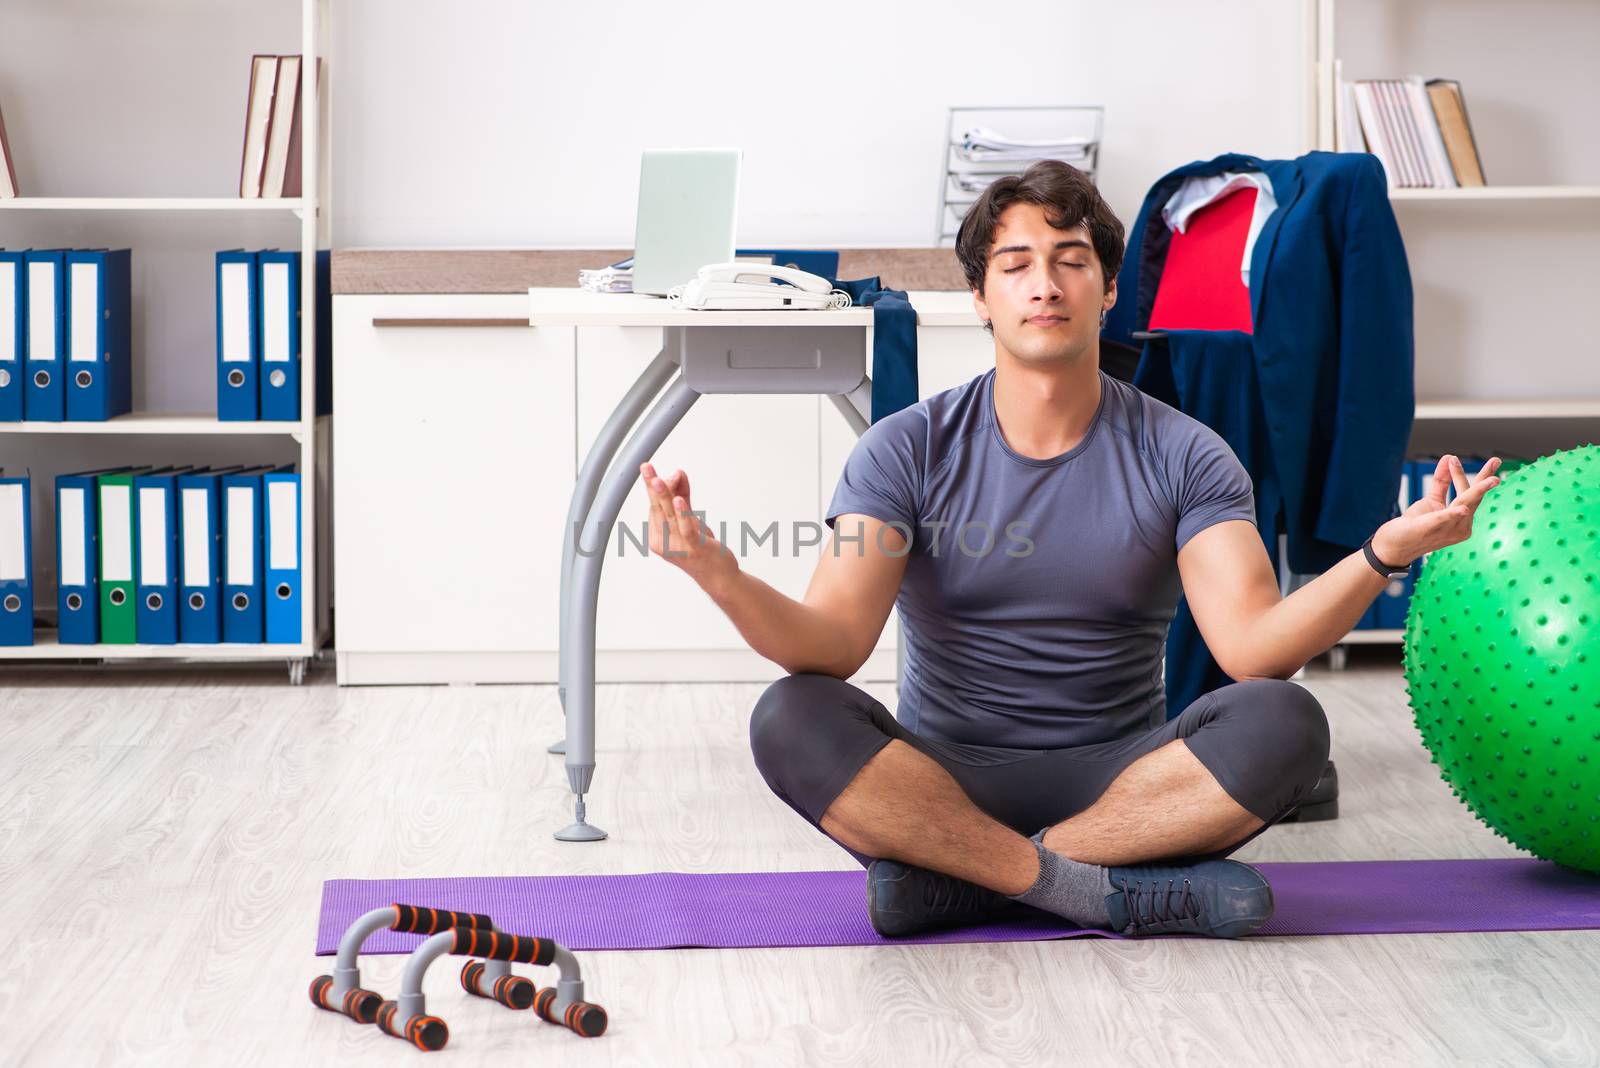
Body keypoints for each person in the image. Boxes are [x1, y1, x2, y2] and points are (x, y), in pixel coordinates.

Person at [635, 160, 1501, 939]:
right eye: (1014, 267)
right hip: (945, 779)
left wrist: (1380, 553)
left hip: (1126, 788)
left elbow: (1251, 648)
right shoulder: (904, 448)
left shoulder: (1186, 452)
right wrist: (720, 572)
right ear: (980, 298)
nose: (1043, 285)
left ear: (1109, 289)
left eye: (1070, 261)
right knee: (792, 715)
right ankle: (1094, 890)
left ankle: (964, 880)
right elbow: (831, 643)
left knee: (1287, 721)